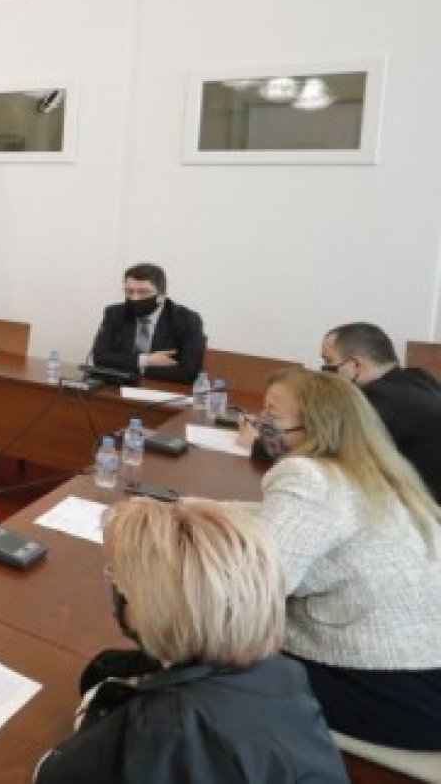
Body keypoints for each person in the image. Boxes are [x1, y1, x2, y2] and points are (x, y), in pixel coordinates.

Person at [34, 498, 347, 783]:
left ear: (151, 607)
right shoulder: (284, 672)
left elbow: (48, 774)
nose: (114, 587)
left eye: (117, 578)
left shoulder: (163, 726)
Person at [241, 368, 441, 751]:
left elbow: (253, 590)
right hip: (427, 679)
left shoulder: (308, 476)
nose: (260, 423)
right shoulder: (378, 475)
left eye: (272, 415)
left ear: (317, 428)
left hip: (389, 692)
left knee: (209, 662)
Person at [317, 322, 441, 503]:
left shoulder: (379, 400)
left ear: (356, 365)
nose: (326, 372)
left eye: (329, 361)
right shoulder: (419, 378)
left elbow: (331, 453)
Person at [87, 263, 205, 384]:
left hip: (163, 388)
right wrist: (146, 360)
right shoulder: (114, 313)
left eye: (143, 292)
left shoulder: (187, 320)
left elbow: (189, 372)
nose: (134, 298)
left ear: (162, 295)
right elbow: (99, 357)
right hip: (119, 385)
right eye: (129, 292)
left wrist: (135, 368)